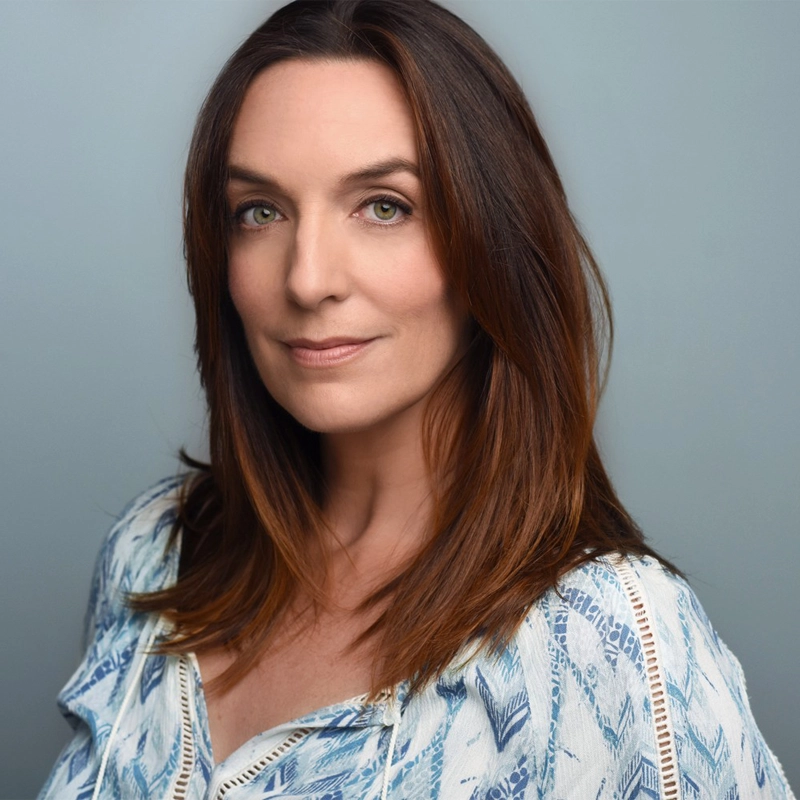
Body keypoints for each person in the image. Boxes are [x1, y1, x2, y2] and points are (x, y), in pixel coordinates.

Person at [39, 1, 794, 798]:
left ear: (491, 243)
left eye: (384, 206)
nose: (307, 278)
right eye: (260, 212)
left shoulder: (609, 640)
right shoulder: (154, 553)